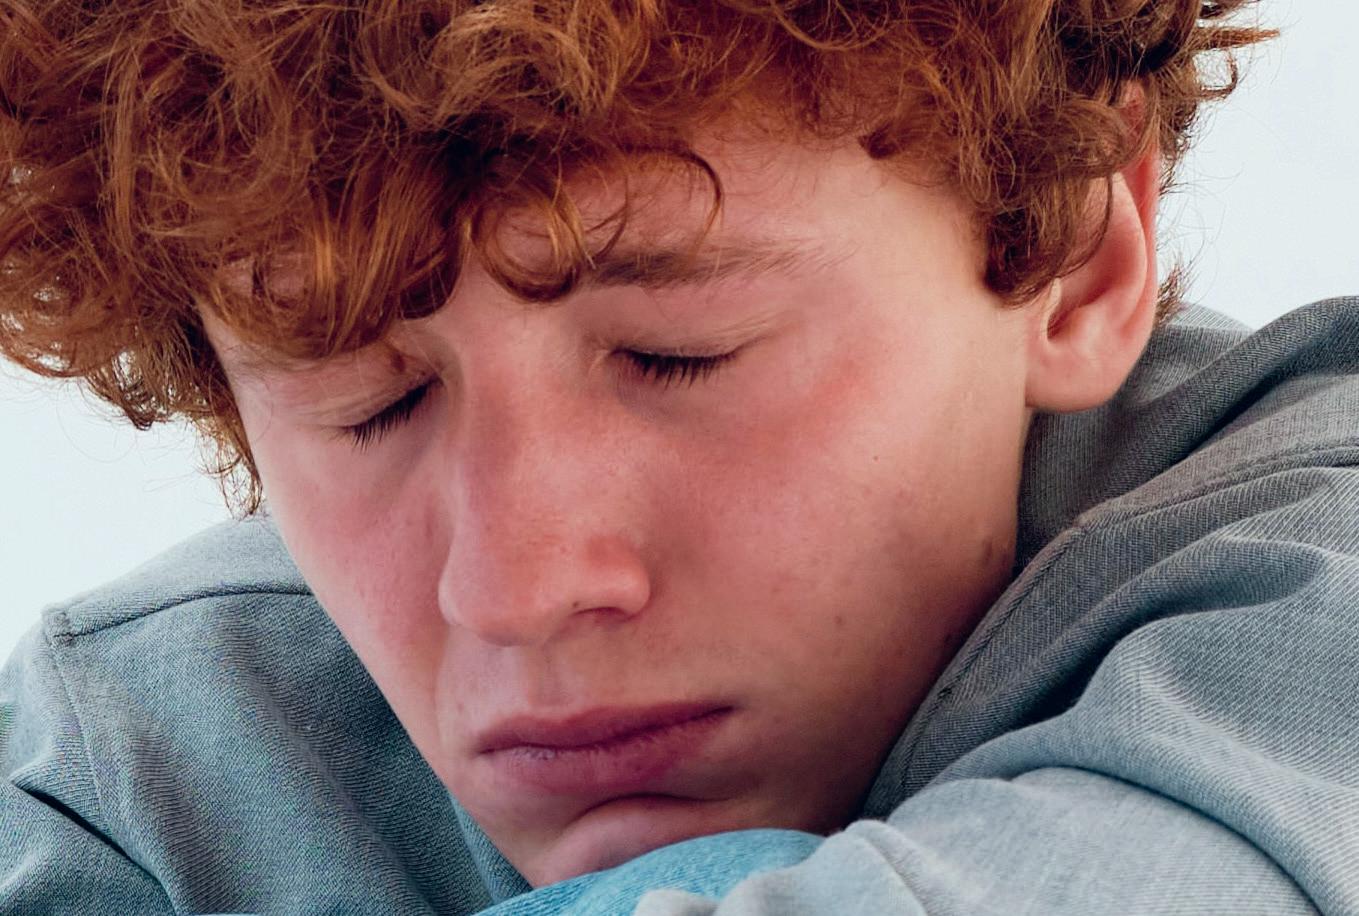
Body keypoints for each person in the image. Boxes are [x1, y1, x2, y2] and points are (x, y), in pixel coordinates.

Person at [1, 0, 1356, 913]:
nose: (518, 588)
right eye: (369, 405)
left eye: (676, 356)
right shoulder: (127, 770)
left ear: (1071, 262)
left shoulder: (1316, 583)